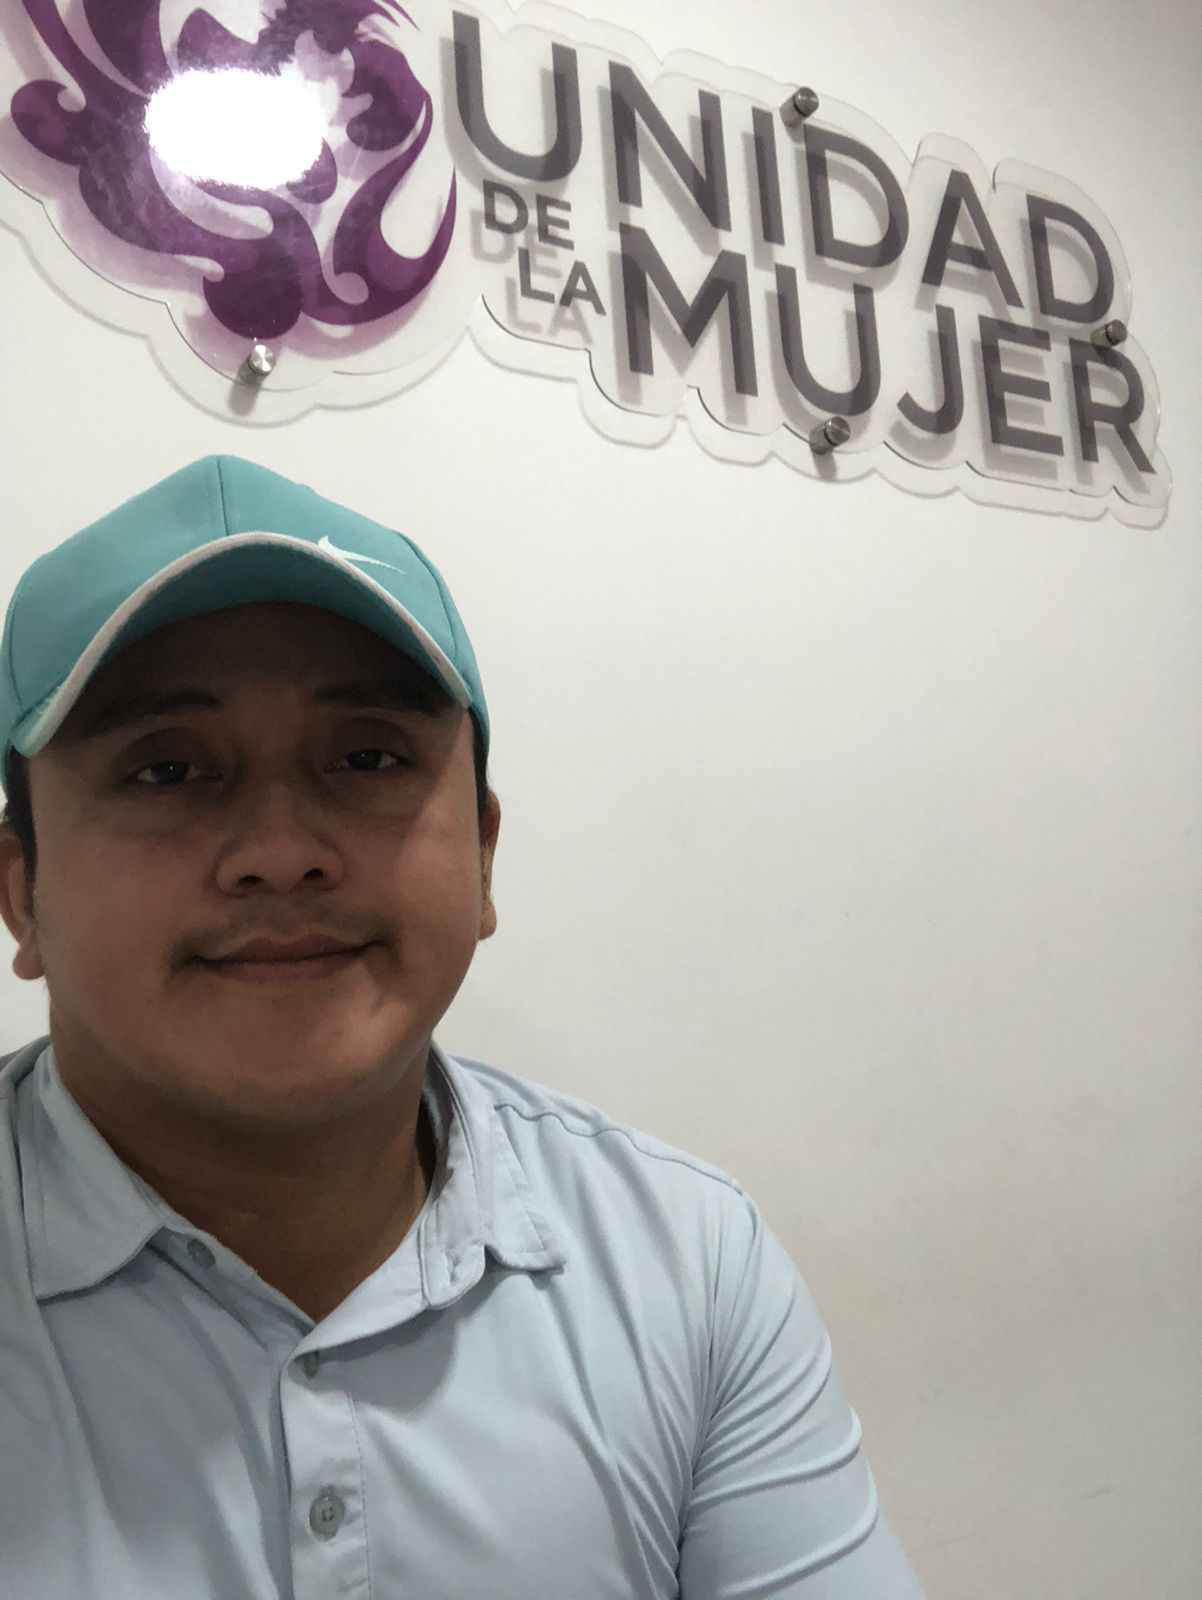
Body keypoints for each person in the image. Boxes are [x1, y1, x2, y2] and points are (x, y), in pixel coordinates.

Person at [0, 456, 928, 1598]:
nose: (280, 851)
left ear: (484, 856)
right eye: (166, 770)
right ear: (21, 892)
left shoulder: (685, 1258)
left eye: (367, 757)